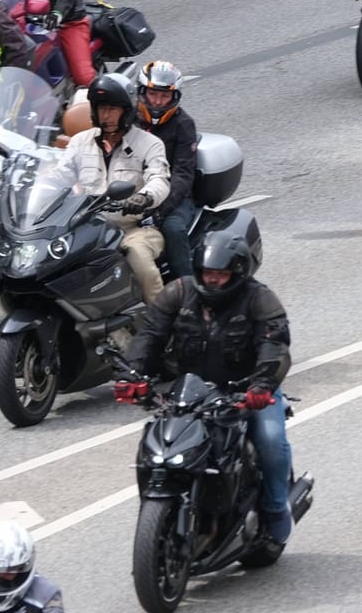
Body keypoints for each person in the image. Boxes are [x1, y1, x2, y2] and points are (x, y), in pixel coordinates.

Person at [120, 218, 295, 544]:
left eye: (222, 274)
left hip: (247, 390)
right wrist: (132, 375)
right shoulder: (180, 292)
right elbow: (150, 334)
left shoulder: (260, 299)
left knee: (271, 441)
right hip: (190, 390)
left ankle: (275, 507)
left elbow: (275, 346)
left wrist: (260, 387)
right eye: (208, 273)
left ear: (238, 273)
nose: (213, 280)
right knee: (159, 445)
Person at [59, 75, 170, 300]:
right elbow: (58, 176)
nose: (106, 115)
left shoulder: (149, 144)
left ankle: (161, 321)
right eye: (101, 108)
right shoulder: (80, 142)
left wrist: (144, 198)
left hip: (131, 229)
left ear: (127, 111)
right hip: (85, 229)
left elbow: (160, 179)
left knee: (140, 260)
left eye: (112, 109)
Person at [134, 59, 200, 280]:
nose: (158, 102)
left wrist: (159, 209)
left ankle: (189, 291)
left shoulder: (184, 124)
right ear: (142, 92)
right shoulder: (129, 119)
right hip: (134, 192)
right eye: (153, 95)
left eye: (165, 97)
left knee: (173, 229)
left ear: (174, 98)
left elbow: (183, 174)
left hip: (174, 198)